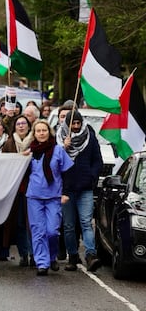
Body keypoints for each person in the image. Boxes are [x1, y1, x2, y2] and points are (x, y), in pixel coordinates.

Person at [24, 119, 73, 276]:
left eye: (44, 130)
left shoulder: (58, 150)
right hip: (34, 196)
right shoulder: (30, 152)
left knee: (52, 231)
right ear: (34, 134)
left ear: (49, 132)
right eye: (38, 131)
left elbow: (67, 172)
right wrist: (21, 157)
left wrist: (66, 193)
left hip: (53, 196)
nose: (41, 133)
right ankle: (42, 263)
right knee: (38, 231)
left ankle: (52, 257)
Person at [56, 109, 103, 272]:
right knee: (68, 225)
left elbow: (97, 160)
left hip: (85, 188)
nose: (76, 126)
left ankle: (91, 254)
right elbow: (54, 162)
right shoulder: (59, 138)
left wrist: (92, 177)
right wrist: (64, 147)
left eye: (78, 123)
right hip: (66, 189)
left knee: (86, 222)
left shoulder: (89, 136)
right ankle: (73, 256)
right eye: (72, 124)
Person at [1, 115, 34, 267]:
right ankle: (23, 254)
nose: (21, 126)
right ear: (15, 127)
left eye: (24, 123)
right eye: (18, 124)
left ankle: (35, 254)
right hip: (16, 190)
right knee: (20, 223)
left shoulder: (35, 143)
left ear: (28, 126)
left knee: (33, 223)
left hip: (33, 189)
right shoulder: (8, 144)